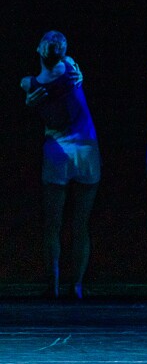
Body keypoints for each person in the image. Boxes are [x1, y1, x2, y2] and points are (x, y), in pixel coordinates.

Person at [20, 31, 100, 299]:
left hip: (58, 151)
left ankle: (55, 284)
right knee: (80, 224)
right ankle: (75, 286)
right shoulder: (70, 66)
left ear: (39, 49)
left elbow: (31, 85)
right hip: (85, 148)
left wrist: (28, 95)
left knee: (53, 224)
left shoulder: (33, 83)